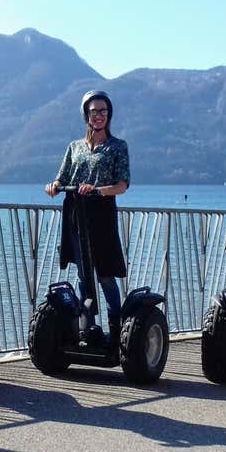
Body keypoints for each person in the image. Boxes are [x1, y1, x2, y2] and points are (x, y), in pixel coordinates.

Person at [45, 90, 129, 343]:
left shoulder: (117, 147)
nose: (99, 116)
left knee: (104, 272)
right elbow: (63, 175)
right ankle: (87, 327)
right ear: (87, 116)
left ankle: (118, 326)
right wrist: (54, 185)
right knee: (83, 274)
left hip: (101, 214)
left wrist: (98, 190)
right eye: (94, 112)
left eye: (103, 111)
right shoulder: (75, 147)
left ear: (109, 114)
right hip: (76, 215)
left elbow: (123, 185)